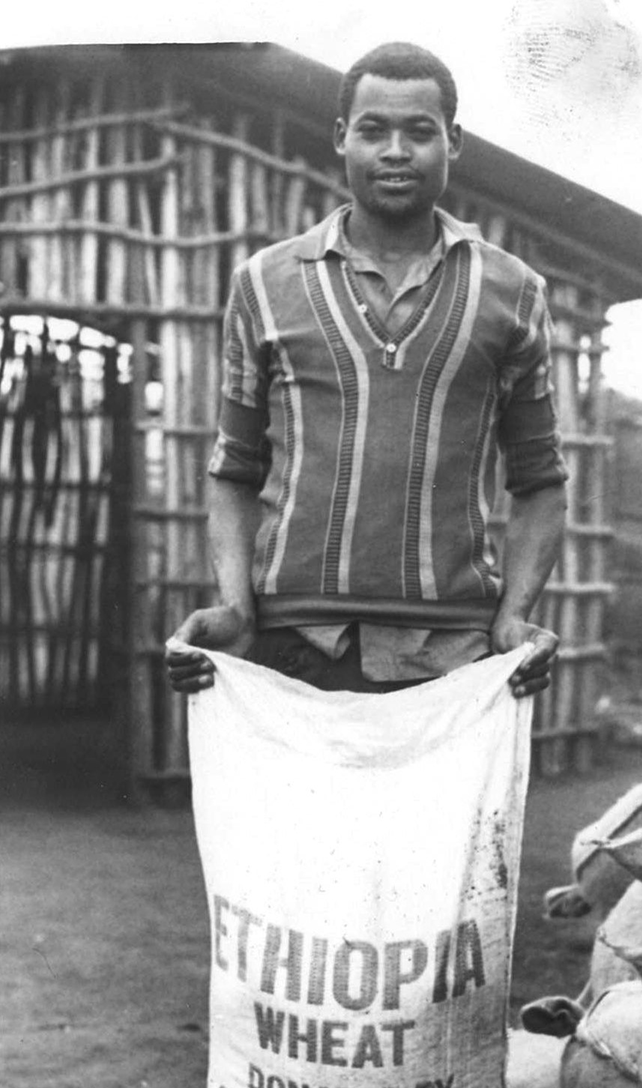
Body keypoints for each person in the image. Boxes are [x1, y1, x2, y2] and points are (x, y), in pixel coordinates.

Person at [166, 42, 568, 699]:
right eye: (373, 130)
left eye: (420, 132)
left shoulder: (513, 291)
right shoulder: (265, 284)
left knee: (456, 811)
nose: (396, 151)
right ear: (341, 138)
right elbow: (235, 469)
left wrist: (513, 616)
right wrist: (236, 609)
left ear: (454, 142)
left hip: (454, 662)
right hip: (289, 657)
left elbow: (541, 481)